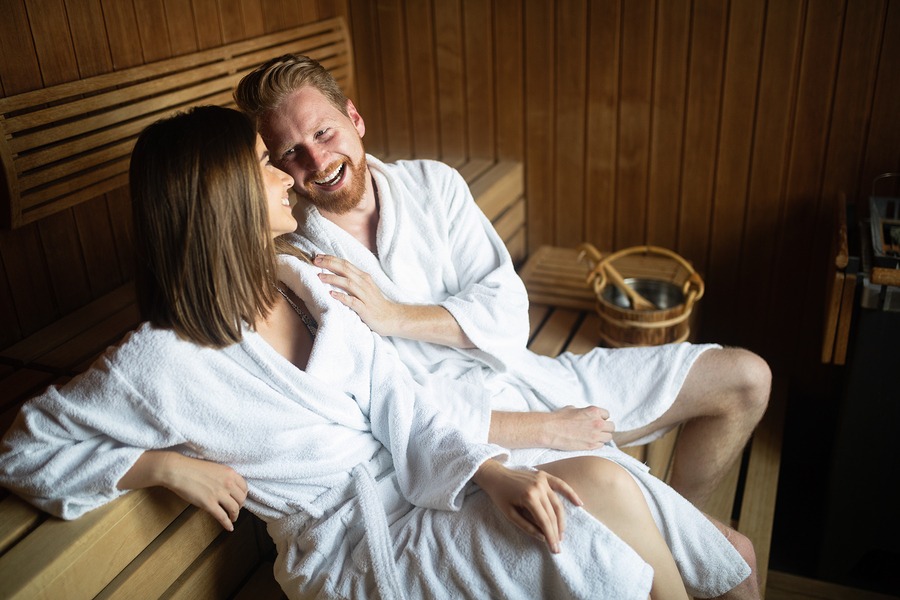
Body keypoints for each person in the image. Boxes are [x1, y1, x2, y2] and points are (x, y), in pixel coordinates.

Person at [0, 106, 754, 599]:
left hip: (424, 484)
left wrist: (489, 473)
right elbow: (25, 448)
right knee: (604, 504)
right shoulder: (161, 361)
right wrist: (160, 465)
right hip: (358, 551)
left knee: (600, 492)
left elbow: (399, 400)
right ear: (217, 196)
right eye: (264, 164)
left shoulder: (301, 281)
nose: (283, 176)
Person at [233, 53, 772, 512]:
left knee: (745, 378)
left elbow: (508, 312)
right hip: (482, 444)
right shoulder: (302, 262)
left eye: (324, 132)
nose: (317, 160)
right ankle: (687, 544)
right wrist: (542, 428)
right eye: (290, 152)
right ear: (278, 169)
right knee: (735, 557)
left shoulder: (432, 185)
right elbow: (395, 409)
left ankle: (687, 523)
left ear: (355, 118)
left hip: (534, 376)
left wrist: (394, 316)